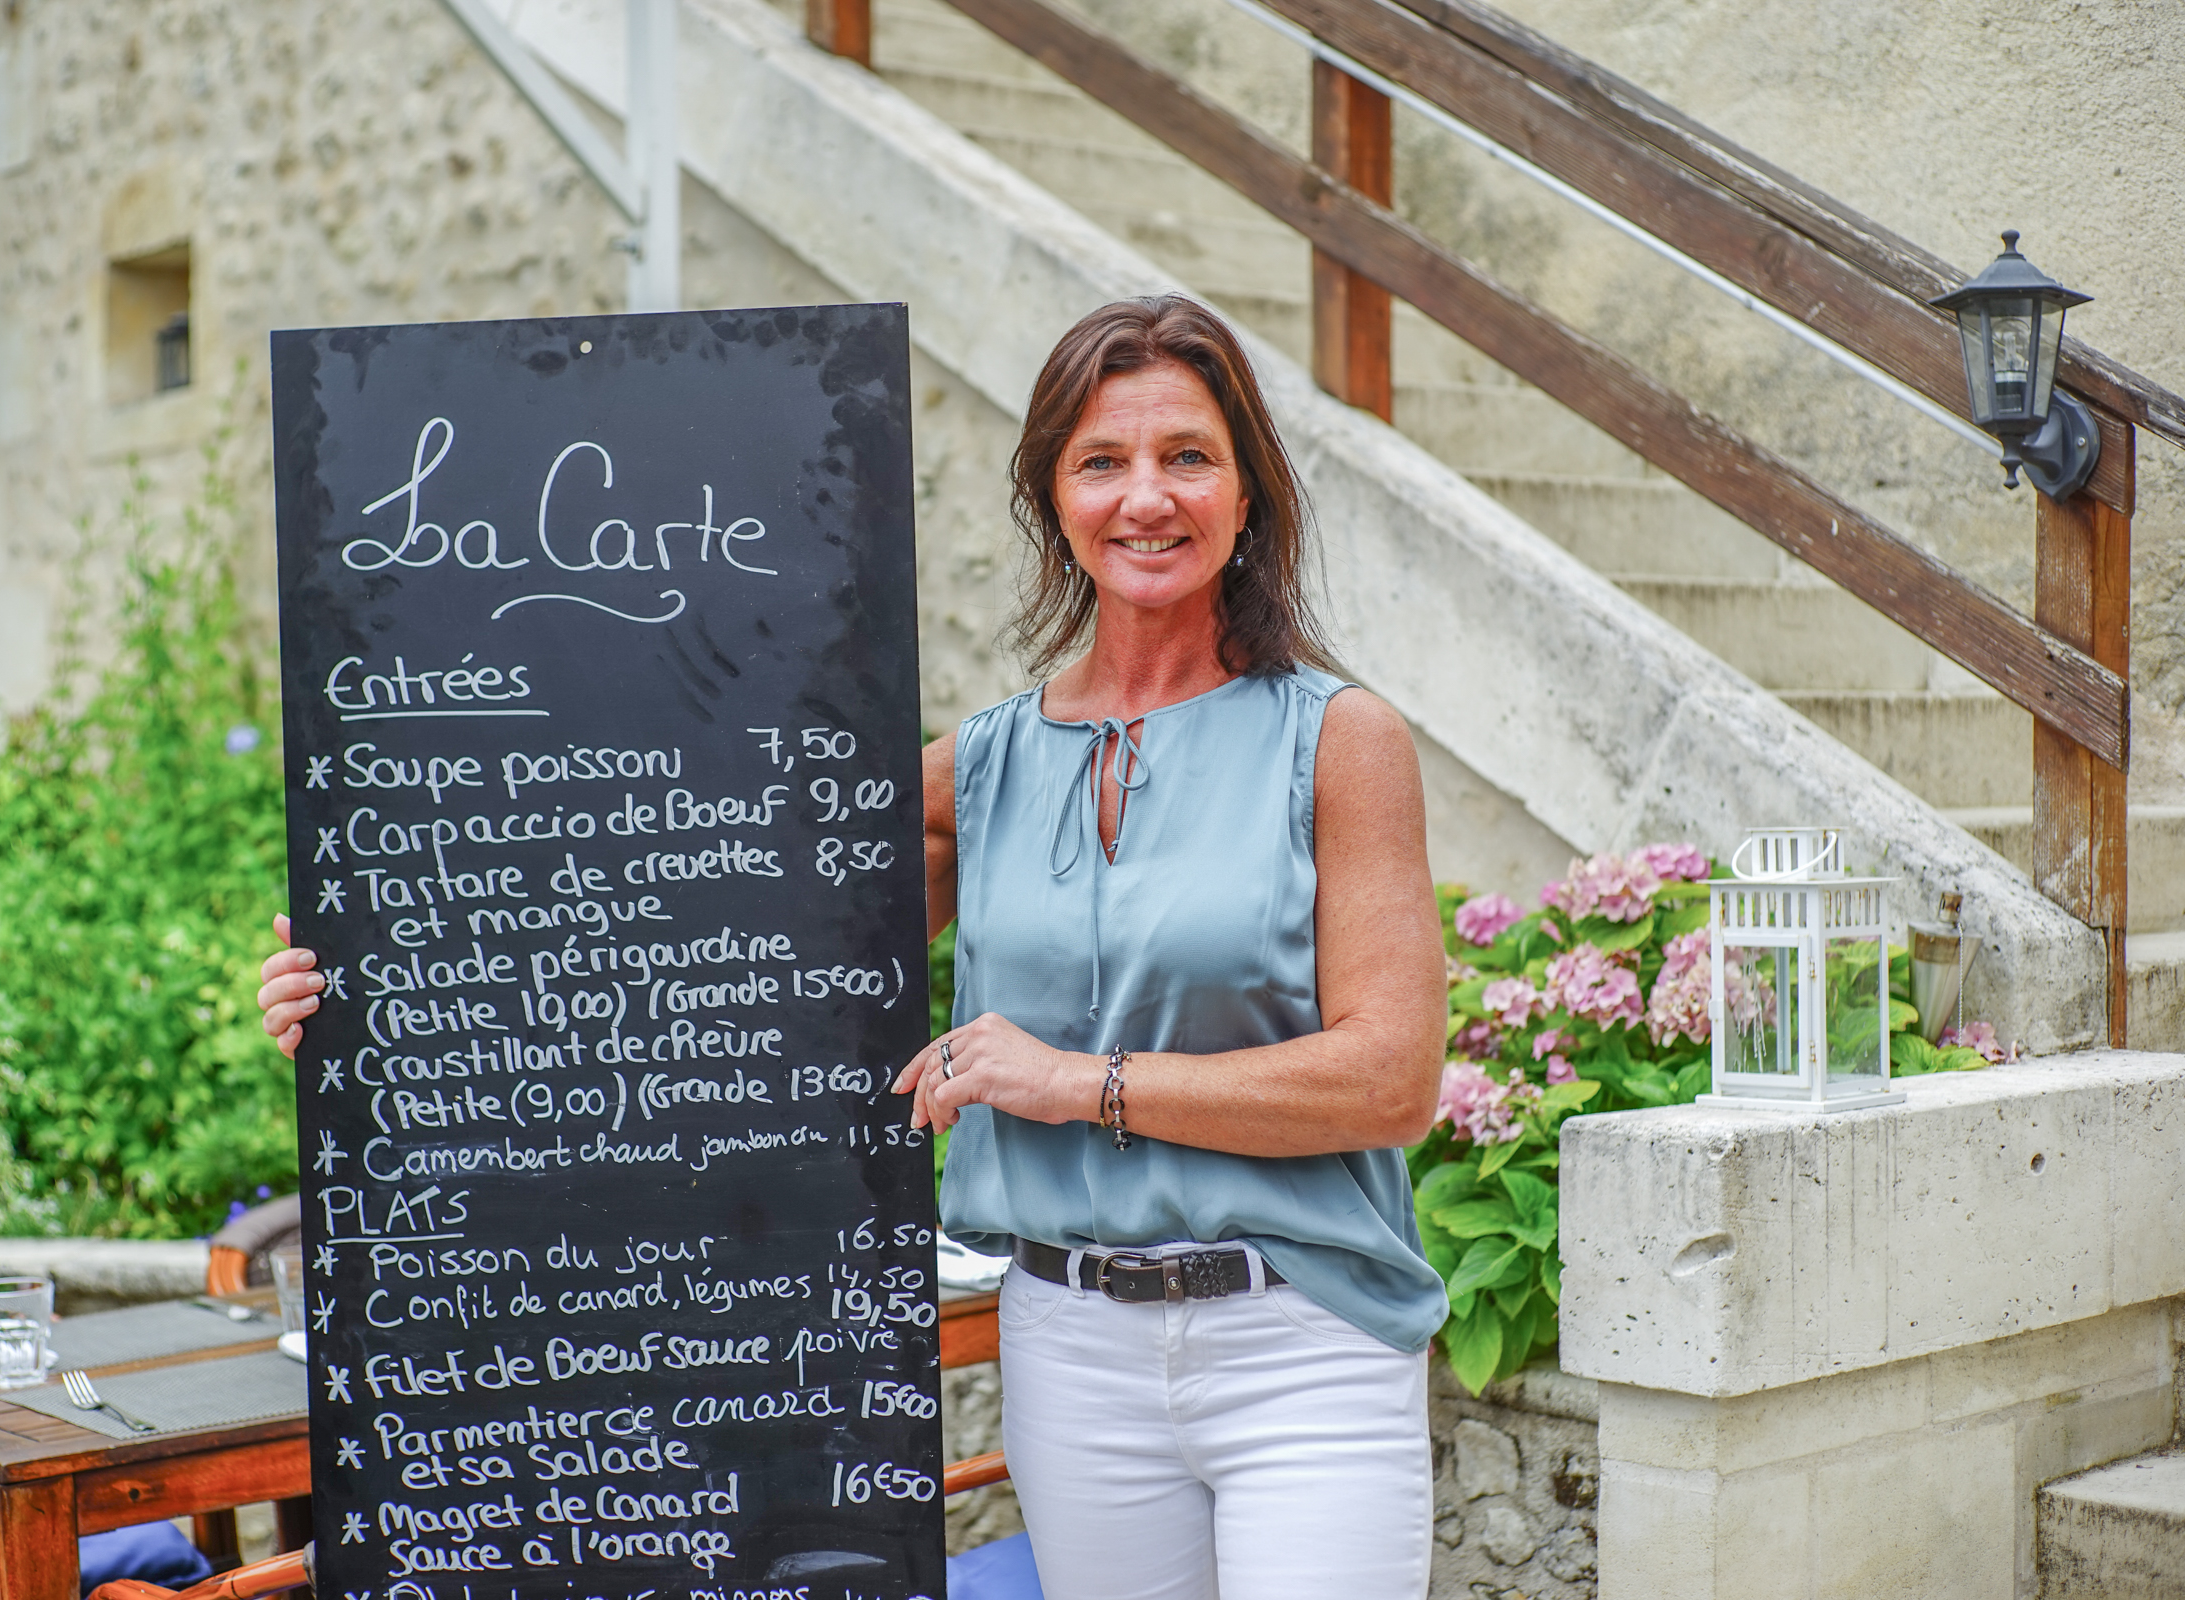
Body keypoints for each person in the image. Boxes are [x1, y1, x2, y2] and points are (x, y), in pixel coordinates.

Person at [259, 294, 1448, 1599]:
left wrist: (1077, 1084)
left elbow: (1389, 1081)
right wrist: (383, 976)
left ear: (1246, 490)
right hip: (1070, 1347)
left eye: (1188, 456)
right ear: (1052, 495)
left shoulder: (1338, 742)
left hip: (1301, 1338)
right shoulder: (985, 768)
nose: (1145, 497)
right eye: (1102, 461)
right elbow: (687, 929)